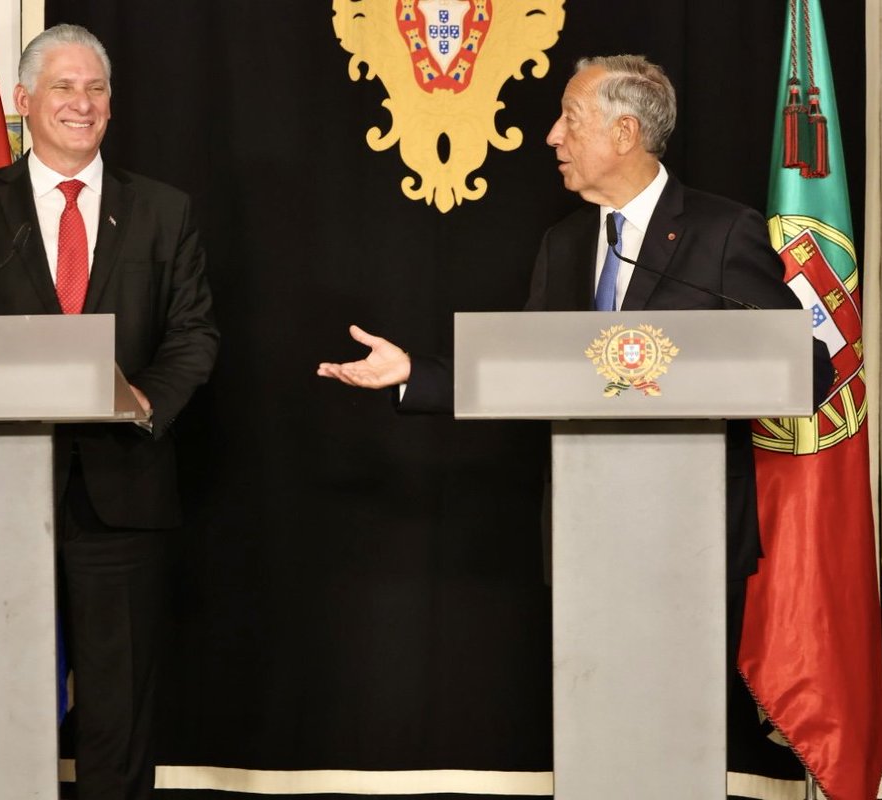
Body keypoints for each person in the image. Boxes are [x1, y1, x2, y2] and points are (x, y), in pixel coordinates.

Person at [318, 53, 831, 772]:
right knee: (599, 746)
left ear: (625, 134)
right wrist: (416, 374)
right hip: (587, 533)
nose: (551, 136)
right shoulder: (565, 244)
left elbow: (807, 370)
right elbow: (528, 367)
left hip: (691, 537)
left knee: (672, 750)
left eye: (570, 118)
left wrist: (679, 365)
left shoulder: (721, 232)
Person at [0, 24, 219, 800]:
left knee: (119, 708)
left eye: (96, 89)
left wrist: (146, 402)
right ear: (23, 101)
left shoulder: (162, 210)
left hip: (122, 488)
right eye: (63, 88)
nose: (82, 104)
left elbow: (194, 333)